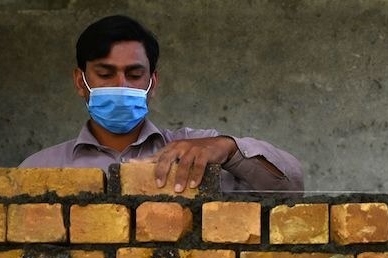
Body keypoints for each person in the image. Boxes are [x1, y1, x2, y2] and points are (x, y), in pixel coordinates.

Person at [20, 15, 304, 193]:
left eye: (134, 74)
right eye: (105, 74)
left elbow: (291, 189)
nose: (121, 85)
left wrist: (229, 148)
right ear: (80, 81)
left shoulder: (199, 151)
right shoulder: (38, 169)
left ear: (152, 83)